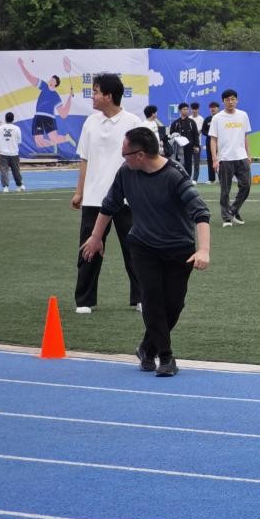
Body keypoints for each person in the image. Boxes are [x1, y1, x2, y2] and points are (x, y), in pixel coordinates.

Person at [81, 127, 210, 377]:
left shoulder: (174, 175)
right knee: (152, 298)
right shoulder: (126, 172)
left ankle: (146, 349)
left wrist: (203, 250)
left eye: (125, 154)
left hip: (179, 249)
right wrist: (96, 237)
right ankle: (166, 357)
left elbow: (201, 213)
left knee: (173, 305)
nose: (123, 158)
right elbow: (109, 205)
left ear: (140, 155)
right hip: (143, 246)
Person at [72, 73, 144, 314]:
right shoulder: (90, 123)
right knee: (89, 248)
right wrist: (79, 192)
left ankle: (141, 297)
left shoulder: (133, 122)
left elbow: (141, 160)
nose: (92, 96)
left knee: (134, 248)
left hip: (127, 199)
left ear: (109, 96)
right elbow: (84, 159)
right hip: (94, 198)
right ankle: (84, 300)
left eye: (95, 92)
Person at [210, 89, 252, 227]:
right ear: (223, 101)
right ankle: (226, 218)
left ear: (237, 100)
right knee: (225, 191)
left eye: (233, 99)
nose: (230, 102)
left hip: (241, 157)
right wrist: (215, 159)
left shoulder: (243, 115)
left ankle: (233, 210)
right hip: (225, 158)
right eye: (227, 99)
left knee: (246, 186)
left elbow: (245, 136)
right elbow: (213, 139)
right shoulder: (217, 118)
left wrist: (248, 154)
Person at [17, 59, 74, 150]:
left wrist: (70, 97)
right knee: (39, 144)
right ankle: (54, 143)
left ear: (56, 84)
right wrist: (22, 65)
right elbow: (30, 78)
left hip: (49, 118)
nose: (50, 81)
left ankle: (66, 138)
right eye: (50, 79)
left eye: (53, 80)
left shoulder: (56, 96)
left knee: (55, 139)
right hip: (38, 117)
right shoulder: (43, 86)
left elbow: (63, 114)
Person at [169, 102, 200, 181]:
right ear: (180, 110)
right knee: (178, 164)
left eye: (187, 109)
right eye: (184, 109)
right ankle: (178, 180)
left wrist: (196, 146)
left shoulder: (191, 122)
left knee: (188, 163)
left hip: (189, 147)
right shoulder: (175, 123)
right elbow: (171, 135)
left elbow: (195, 134)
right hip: (178, 149)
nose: (186, 111)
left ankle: (188, 180)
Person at [0, 111, 25, 192]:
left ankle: (5, 187)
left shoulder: (0, 128)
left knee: (4, 170)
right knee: (16, 170)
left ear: (5, 119)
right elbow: (19, 141)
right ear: (13, 119)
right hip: (14, 152)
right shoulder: (17, 128)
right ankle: (19, 185)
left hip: (3, 153)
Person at [200, 101, 219, 183]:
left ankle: (222, 178)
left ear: (218, 108)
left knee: (221, 159)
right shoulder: (207, 119)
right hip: (209, 142)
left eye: (214, 107)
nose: (213, 109)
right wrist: (210, 134)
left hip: (220, 142)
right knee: (210, 159)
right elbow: (203, 130)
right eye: (211, 107)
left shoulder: (221, 118)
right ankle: (211, 179)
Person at [189, 102, 204, 182]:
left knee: (196, 162)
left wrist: (194, 141)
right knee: (187, 162)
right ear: (191, 110)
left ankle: (195, 179)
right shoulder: (189, 118)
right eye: (193, 109)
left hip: (197, 144)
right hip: (188, 144)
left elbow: (199, 131)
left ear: (198, 109)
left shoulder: (201, 119)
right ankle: (187, 178)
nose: (194, 111)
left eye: (196, 109)